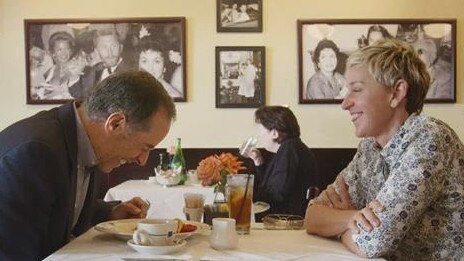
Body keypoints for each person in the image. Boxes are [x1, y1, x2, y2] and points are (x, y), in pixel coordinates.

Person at [304, 39, 463, 260]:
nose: (345, 103)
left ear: (396, 93)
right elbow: (312, 216)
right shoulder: (370, 147)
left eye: (356, 90)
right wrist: (352, 218)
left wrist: (340, 228)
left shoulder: (429, 137)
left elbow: (372, 243)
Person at [0, 70, 176, 260]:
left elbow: (56, 210)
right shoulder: (34, 153)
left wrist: (110, 213)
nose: (142, 160)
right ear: (115, 123)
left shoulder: (88, 145)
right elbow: (16, 253)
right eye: (145, 147)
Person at [243, 106, 320, 217]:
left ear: (275, 133)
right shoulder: (291, 147)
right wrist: (259, 163)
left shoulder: (289, 149)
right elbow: (272, 186)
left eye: (260, 130)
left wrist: (243, 193)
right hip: (284, 218)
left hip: (286, 222)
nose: (258, 136)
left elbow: (276, 196)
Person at [68, 28, 132, 100]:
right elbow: (78, 93)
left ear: (121, 47)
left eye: (114, 46)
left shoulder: (131, 72)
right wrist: (74, 76)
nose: (110, 53)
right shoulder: (95, 69)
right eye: (104, 47)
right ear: (97, 51)